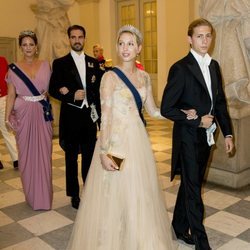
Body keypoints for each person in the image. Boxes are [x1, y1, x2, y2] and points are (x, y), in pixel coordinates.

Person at [67, 25, 178, 250]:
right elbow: (105, 118)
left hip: (138, 142)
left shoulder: (145, 77)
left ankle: (138, 237)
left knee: (138, 190)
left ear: (138, 48)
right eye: (121, 43)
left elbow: (153, 111)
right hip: (115, 144)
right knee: (114, 191)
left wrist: (180, 114)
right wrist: (103, 152)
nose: (125, 48)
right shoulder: (109, 77)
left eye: (130, 44)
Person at [161, 18, 234, 250]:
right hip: (187, 138)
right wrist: (194, 118)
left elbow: (219, 103)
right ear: (189, 39)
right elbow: (167, 108)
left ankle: (179, 226)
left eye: (208, 36)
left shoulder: (214, 66)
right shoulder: (180, 68)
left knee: (191, 184)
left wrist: (229, 134)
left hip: (207, 138)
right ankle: (201, 243)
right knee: (194, 191)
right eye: (199, 36)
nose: (205, 40)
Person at [49, 25, 102, 209]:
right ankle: (74, 194)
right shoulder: (60, 63)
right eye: (73, 37)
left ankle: (88, 189)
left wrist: (100, 119)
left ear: (84, 38)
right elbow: (53, 89)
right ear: (69, 39)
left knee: (88, 156)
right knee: (71, 158)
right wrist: (71, 94)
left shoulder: (94, 62)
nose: (77, 40)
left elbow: (97, 91)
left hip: (89, 117)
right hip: (71, 118)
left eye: (80, 37)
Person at [5, 31, 53, 210]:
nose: (28, 48)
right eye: (24, 45)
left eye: (31, 44)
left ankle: (44, 198)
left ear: (36, 46)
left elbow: (49, 91)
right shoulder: (14, 68)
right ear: (20, 47)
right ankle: (32, 196)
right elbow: (11, 94)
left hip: (42, 113)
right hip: (23, 112)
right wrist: (6, 117)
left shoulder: (46, 65)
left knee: (44, 154)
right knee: (25, 157)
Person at [0, 56, 18, 170]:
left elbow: (8, 79)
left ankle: (16, 159)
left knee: (7, 129)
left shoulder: (2, 60)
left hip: (3, 99)